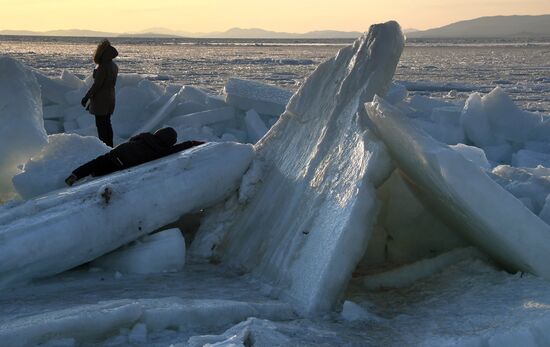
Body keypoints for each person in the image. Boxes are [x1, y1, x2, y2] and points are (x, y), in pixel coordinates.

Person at [65, 127, 204, 186]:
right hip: (124, 163)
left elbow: (133, 139)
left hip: (117, 152)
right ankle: (92, 178)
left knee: (96, 163)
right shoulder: (161, 150)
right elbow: (176, 149)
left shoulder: (146, 136)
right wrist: (191, 143)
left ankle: (75, 175)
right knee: (102, 173)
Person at [81, 39, 119, 147]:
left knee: (101, 125)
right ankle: (110, 146)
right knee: (107, 123)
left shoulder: (103, 66)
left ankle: (104, 148)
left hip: (101, 99)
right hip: (110, 97)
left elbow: (97, 85)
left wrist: (86, 97)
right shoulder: (113, 66)